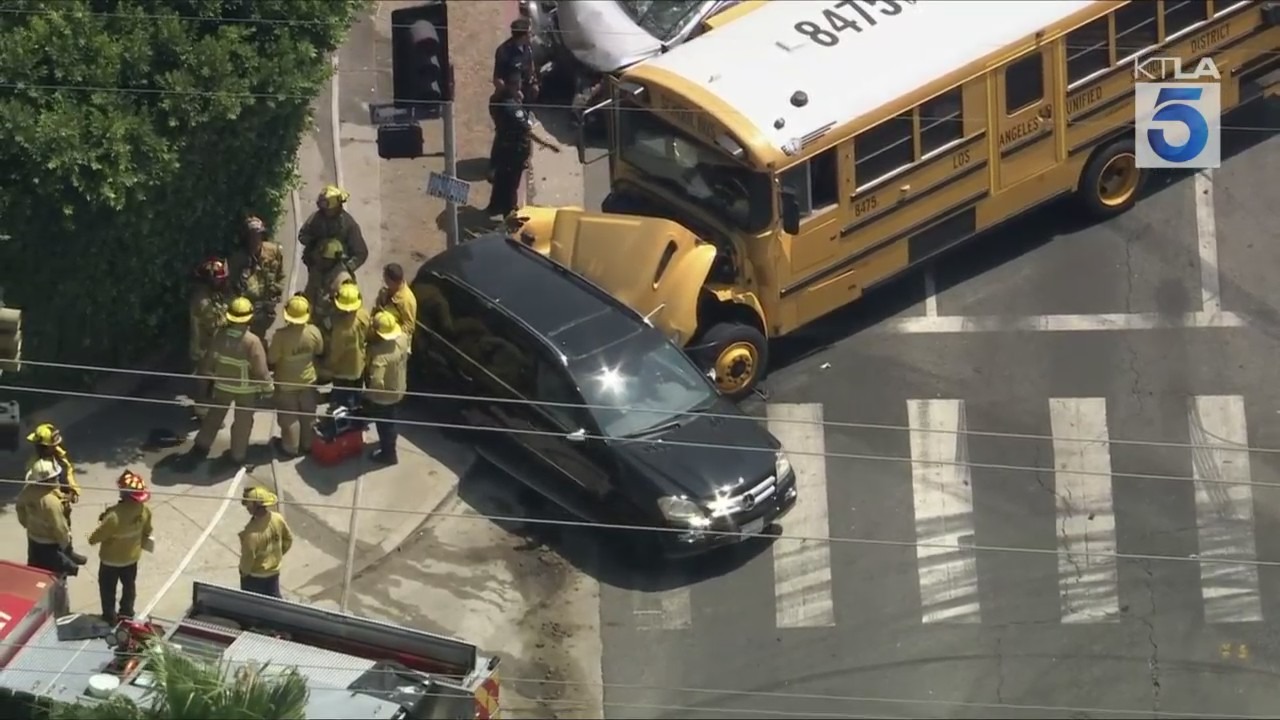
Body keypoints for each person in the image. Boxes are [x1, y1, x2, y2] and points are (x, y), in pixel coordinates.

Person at [184, 296, 274, 469]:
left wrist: (209, 376)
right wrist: (268, 389)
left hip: (222, 386)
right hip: (246, 390)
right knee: (243, 422)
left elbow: (209, 361)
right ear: (249, 318)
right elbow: (261, 371)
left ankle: (201, 445)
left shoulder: (219, 335)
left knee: (214, 415)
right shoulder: (252, 341)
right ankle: (238, 455)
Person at [485, 70, 558, 218]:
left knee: (501, 179)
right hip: (514, 150)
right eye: (518, 84)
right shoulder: (513, 108)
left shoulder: (497, 100)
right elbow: (527, 130)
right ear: (512, 86)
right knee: (512, 182)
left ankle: (495, 206)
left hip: (502, 145)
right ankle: (510, 212)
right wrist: (547, 144)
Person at [88, 470, 153, 625]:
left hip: (110, 561)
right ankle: (127, 613)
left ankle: (109, 617)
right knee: (129, 587)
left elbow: (95, 538)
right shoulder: (144, 511)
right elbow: (148, 530)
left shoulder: (113, 516)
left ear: (124, 493)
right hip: (131, 559)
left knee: (107, 590)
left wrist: (91, 536)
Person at [268, 294, 324, 458]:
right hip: (308, 381)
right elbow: (320, 350)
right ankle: (307, 444)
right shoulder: (314, 332)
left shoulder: (280, 336)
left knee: (289, 417)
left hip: (286, 384)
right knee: (308, 414)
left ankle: (290, 448)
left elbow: (272, 358)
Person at [26, 423, 87, 564]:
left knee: (64, 528)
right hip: (48, 506)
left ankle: (68, 552)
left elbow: (68, 471)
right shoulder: (36, 465)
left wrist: (73, 491)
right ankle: (59, 558)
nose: (56, 447)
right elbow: (34, 490)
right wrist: (57, 500)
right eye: (52, 445)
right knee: (50, 534)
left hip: (63, 501)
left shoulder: (59, 455)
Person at [17, 459, 82, 576]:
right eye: (56, 477)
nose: (58, 479)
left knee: (35, 571)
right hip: (51, 544)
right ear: (50, 480)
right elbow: (60, 528)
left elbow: (20, 508)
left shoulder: (28, 491)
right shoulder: (52, 502)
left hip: (33, 539)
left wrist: (27, 524)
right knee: (56, 576)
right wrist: (66, 546)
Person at [299, 185, 368, 293]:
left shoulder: (349, 225)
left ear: (335, 207)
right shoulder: (316, 218)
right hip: (317, 268)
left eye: (326, 208)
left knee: (342, 297)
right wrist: (315, 242)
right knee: (310, 297)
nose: (323, 211)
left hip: (338, 270)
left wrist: (347, 268)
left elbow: (361, 253)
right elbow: (302, 235)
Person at [363, 311, 410, 465]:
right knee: (391, 418)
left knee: (385, 425)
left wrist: (369, 395)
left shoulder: (380, 357)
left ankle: (388, 454)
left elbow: (376, 382)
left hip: (385, 398)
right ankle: (389, 444)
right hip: (399, 387)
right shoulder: (403, 339)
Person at [228, 216, 286, 339]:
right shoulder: (237, 258)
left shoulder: (273, 251)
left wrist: (276, 292)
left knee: (259, 337)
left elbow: (281, 275)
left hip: (265, 309)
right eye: (252, 236)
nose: (255, 240)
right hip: (245, 309)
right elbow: (230, 285)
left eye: (258, 236)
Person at [188, 257, 230, 421]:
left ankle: (205, 410)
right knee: (204, 381)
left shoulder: (211, 295)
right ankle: (202, 413)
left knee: (210, 380)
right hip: (204, 349)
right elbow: (215, 324)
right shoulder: (202, 301)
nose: (223, 282)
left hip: (210, 346)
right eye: (220, 279)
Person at [238, 486, 293, 598]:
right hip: (274, 573)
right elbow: (288, 539)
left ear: (256, 506)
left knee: (251, 603)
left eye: (249, 505)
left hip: (255, 578)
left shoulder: (252, 533)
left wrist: (243, 572)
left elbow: (248, 558)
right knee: (274, 602)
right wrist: (277, 555)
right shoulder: (277, 519)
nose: (247, 508)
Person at [324, 282, 370, 412]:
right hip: (359, 365)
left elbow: (335, 353)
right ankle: (355, 416)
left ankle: (344, 420)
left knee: (343, 401)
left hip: (343, 371)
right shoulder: (364, 315)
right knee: (356, 396)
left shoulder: (340, 328)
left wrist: (328, 365)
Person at [306, 239, 357, 335]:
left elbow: (346, 310)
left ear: (334, 261)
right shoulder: (318, 271)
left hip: (329, 329)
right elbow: (310, 292)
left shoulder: (343, 280)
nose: (320, 261)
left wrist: (327, 324)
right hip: (313, 320)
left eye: (324, 259)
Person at [492, 17, 537, 101]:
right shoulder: (504, 51)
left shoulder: (527, 48)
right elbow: (497, 81)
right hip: (508, 96)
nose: (532, 35)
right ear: (523, 37)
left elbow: (531, 69)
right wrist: (513, 93)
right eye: (530, 33)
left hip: (524, 91)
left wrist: (534, 84)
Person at [373, 262, 418, 342]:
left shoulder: (407, 300)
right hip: (379, 326)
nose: (384, 281)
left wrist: (392, 332)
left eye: (386, 280)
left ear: (394, 282)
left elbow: (409, 327)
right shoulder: (387, 290)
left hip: (391, 337)